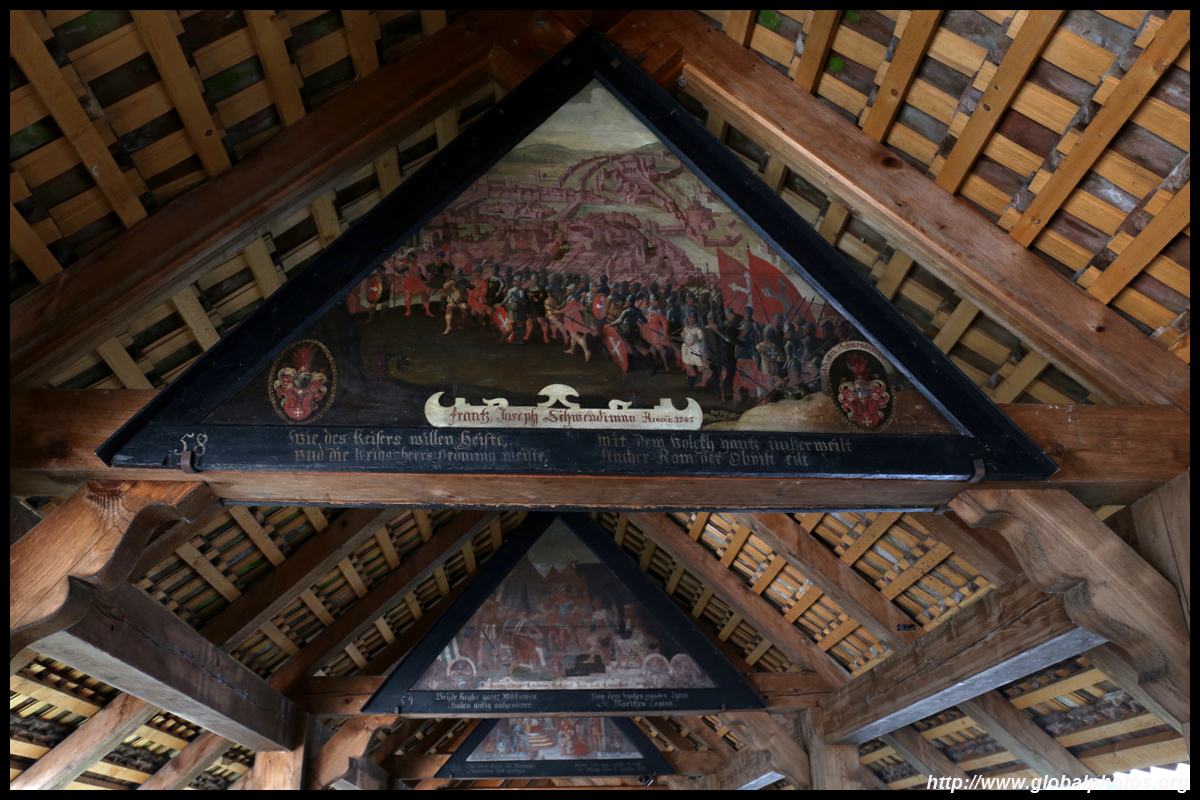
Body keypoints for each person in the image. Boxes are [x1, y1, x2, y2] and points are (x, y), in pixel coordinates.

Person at [681, 313, 711, 390]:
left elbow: (703, 341)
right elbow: (683, 339)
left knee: (701, 368)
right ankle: (691, 387)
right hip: (686, 349)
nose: (691, 320)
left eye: (692, 318)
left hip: (696, 349)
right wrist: (672, 338)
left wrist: (703, 352)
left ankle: (710, 381)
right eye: (689, 318)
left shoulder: (698, 330)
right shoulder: (685, 329)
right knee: (688, 367)